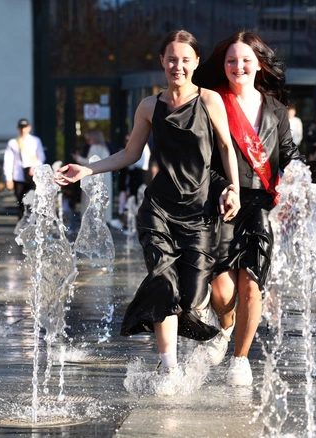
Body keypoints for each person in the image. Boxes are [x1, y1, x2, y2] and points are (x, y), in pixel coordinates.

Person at [55, 30, 241, 389]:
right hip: (158, 209)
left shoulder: (210, 101)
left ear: (196, 63)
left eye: (186, 59)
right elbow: (129, 154)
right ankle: (168, 367)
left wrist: (232, 188)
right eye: (172, 58)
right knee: (162, 282)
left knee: (192, 293)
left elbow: (226, 148)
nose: (178, 66)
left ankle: (209, 325)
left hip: (199, 211)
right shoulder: (148, 106)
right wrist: (87, 169)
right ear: (162, 61)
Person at [192, 31, 316, 386]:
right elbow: (202, 158)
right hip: (221, 204)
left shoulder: (275, 110)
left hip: (260, 206)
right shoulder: (211, 101)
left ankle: (241, 358)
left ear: (259, 64)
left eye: (246, 60)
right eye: (231, 60)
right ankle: (224, 330)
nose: (239, 66)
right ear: (224, 64)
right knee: (222, 292)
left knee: (252, 286)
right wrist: (221, 187)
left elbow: (290, 160)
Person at [3, 118, 46, 219]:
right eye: (21, 127)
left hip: (32, 175)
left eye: (25, 127)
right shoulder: (13, 142)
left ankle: (33, 221)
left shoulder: (35, 140)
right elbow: (8, 160)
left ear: (29, 128)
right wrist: (8, 178)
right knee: (20, 201)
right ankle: (21, 223)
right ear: (18, 128)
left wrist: (35, 168)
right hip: (18, 175)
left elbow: (41, 157)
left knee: (33, 199)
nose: (23, 130)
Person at [71, 129, 115, 224]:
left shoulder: (94, 147)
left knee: (91, 198)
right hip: (105, 175)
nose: (88, 142)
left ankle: (91, 219)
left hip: (95, 175)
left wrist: (77, 158)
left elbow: (89, 163)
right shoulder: (104, 148)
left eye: (88, 140)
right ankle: (104, 219)